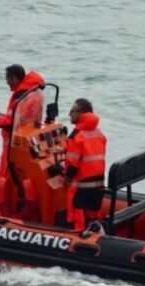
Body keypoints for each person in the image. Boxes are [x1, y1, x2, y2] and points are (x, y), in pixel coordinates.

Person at [0, 64, 45, 197]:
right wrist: (2, 116)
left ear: (14, 78)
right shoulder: (34, 92)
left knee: (5, 178)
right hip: (27, 142)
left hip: (13, 146)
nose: (8, 84)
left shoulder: (21, 96)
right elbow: (21, 119)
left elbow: (10, 123)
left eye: (8, 80)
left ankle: (3, 206)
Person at [63, 98, 107, 231]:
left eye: (72, 111)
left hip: (81, 186)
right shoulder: (99, 133)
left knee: (78, 214)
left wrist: (66, 177)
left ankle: (78, 237)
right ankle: (96, 233)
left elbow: (72, 166)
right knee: (94, 213)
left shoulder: (76, 136)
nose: (69, 114)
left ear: (81, 113)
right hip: (98, 184)